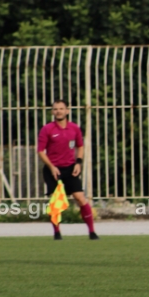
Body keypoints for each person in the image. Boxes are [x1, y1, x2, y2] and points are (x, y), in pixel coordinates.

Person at [37, 100, 98, 240]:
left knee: (80, 198)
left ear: (67, 111)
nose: (58, 111)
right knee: (56, 202)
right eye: (55, 109)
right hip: (53, 170)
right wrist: (52, 167)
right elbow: (40, 151)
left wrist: (78, 163)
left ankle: (92, 232)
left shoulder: (74, 128)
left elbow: (80, 146)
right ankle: (57, 233)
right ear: (52, 112)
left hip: (70, 168)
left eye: (61, 109)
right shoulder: (47, 129)